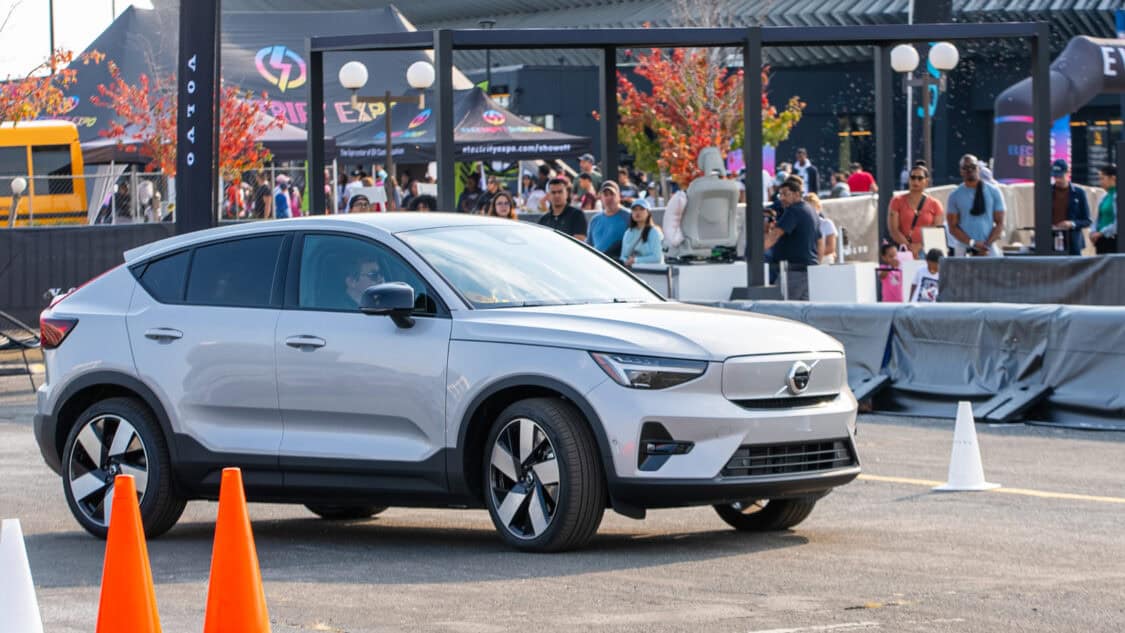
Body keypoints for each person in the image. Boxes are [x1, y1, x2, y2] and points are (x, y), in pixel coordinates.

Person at [764, 177, 820, 300]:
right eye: (780, 194)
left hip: (793, 274)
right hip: (809, 272)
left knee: (780, 314)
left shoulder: (793, 211)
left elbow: (775, 235)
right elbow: (820, 240)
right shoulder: (810, 209)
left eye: (785, 194)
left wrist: (755, 254)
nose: (782, 198)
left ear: (796, 194)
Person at [947, 154, 1005, 256]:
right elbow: (952, 227)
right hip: (964, 246)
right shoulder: (954, 195)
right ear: (961, 171)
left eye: (973, 167)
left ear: (978, 168)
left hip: (988, 246)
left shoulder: (994, 191)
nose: (970, 170)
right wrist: (972, 243)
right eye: (965, 168)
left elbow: (1000, 223)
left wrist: (986, 245)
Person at [888, 162, 945, 257]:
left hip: (928, 252)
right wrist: (909, 246)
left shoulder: (935, 204)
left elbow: (936, 230)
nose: (916, 181)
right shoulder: (897, 201)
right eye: (913, 177)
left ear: (926, 181)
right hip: (904, 251)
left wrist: (920, 246)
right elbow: (894, 229)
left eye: (920, 178)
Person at [1049, 159, 1091, 256]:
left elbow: (1087, 220)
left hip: (1072, 243)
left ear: (1068, 173)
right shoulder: (1048, 192)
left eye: (1060, 176)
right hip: (1051, 241)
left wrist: (1071, 224)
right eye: (1055, 176)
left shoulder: (1079, 193)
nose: (1058, 180)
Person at [587, 180, 629, 258]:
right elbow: (588, 247)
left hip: (618, 264)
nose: (609, 197)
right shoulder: (595, 220)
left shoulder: (628, 217)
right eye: (606, 195)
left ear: (619, 196)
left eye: (612, 194)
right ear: (601, 198)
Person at [620, 197, 664, 266]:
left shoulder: (654, 232)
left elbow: (657, 258)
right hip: (632, 272)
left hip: (653, 273)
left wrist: (635, 260)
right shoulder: (628, 233)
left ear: (648, 213)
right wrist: (626, 262)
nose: (638, 212)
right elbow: (623, 256)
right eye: (634, 209)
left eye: (642, 209)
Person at [1091, 164, 1118, 254]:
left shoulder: (1118, 196)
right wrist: (1093, 232)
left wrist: (1101, 233)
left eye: (1103, 178)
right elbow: (1098, 218)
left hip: (1112, 241)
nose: (1100, 182)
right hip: (1100, 241)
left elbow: (1118, 222)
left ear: (1113, 178)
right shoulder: (1104, 197)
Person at [804, 193, 837, 264]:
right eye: (807, 209)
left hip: (825, 261)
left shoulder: (827, 223)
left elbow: (831, 247)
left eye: (813, 209)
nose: (810, 212)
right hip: (806, 262)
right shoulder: (800, 225)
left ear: (819, 208)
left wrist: (812, 255)